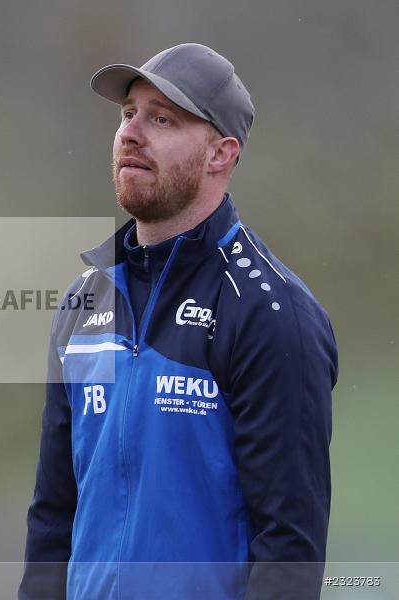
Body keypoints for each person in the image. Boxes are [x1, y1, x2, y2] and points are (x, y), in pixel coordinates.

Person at [18, 43, 338, 600]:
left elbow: (289, 551)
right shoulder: (83, 303)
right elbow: (53, 519)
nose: (131, 134)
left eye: (162, 118)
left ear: (221, 153)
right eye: (127, 114)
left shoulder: (270, 312)